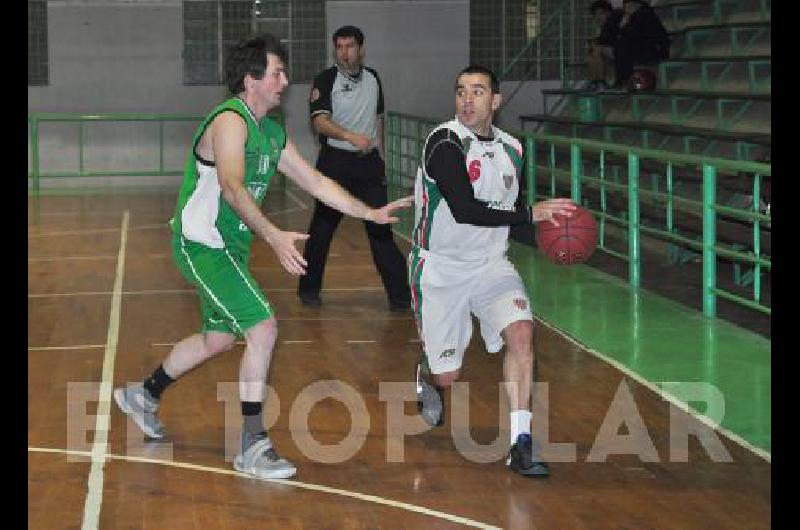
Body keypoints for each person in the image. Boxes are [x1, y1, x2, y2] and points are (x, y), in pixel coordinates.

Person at [113, 34, 411, 480]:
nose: (285, 81)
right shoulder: (230, 122)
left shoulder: (271, 132)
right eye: (277, 73)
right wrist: (273, 236)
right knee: (263, 326)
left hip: (228, 248)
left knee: (218, 339)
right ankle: (252, 445)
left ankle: (144, 394)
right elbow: (232, 187)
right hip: (201, 245)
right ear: (251, 79)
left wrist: (368, 211)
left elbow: (315, 182)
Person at [410, 65, 577, 477]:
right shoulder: (444, 142)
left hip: (490, 264)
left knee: (521, 333)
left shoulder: (513, 149)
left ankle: (521, 443)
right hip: (441, 267)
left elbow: (502, 213)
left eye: (478, 91)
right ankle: (429, 373)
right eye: (461, 91)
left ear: (495, 101)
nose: (467, 99)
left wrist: (553, 238)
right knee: (449, 375)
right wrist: (529, 215)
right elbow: (466, 210)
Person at [298, 25, 410, 311]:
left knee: (380, 227)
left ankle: (401, 298)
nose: (344, 52)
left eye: (350, 46)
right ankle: (308, 290)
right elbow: (319, 121)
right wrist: (349, 136)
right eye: (339, 47)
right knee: (322, 230)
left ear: (361, 49)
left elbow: (378, 119)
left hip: (369, 165)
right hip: (335, 162)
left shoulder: (374, 79)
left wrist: (380, 155)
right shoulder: (325, 80)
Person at [614, 0, 670, 87]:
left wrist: (623, 26)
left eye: (626, 5)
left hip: (654, 50)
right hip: (644, 47)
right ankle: (623, 79)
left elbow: (635, 35)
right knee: (621, 45)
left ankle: (624, 80)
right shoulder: (634, 16)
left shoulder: (644, 14)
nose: (624, 8)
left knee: (623, 46)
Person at [587, 0, 623, 91]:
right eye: (596, 15)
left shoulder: (614, 21)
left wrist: (596, 42)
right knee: (592, 53)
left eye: (601, 14)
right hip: (614, 51)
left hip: (624, 52)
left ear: (608, 13)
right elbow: (604, 40)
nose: (598, 17)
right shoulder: (604, 26)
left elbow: (609, 40)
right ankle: (595, 82)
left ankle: (601, 82)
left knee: (597, 50)